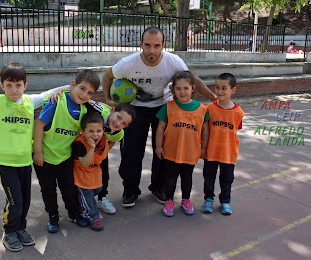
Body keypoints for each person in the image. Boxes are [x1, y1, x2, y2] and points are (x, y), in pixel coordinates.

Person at [102, 26, 217, 208]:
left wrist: (214, 98)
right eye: (147, 45)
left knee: (163, 151)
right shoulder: (128, 63)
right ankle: (130, 190)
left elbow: (192, 80)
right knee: (131, 152)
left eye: (156, 45)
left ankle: (158, 187)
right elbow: (108, 76)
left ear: (164, 45)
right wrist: (107, 98)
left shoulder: (173, 61)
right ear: (141, 44)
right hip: (135, 109)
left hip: (163, 107)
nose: (151, 50)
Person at [0, 38, 67, 252]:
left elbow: (48, 94)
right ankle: (9, 231)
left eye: (18, 85)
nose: (14, 90)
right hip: (5, 162)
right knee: (14, 199)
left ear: (25, 86)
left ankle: (20, 228)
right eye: (9, 85)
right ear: (2, 86)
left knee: (25, 200)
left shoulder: (28, 102)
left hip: (24, 161)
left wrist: (69, 87)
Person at [33, 69, 100, 234]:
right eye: (82, 88)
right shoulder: (57, 101)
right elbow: (39, 125)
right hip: (45, 157)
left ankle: (73, 213)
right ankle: (53, 216)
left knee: (69, 188)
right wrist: (38, 152)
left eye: (90, 93)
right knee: (48, 189)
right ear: (72, 85)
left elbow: (103, 110)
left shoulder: (84, 110)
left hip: (65, 158)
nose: (84, 95)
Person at [155, 71, 209, 216]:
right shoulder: (168, 107)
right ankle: (169, 200)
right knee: (170, 178)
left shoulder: (202, 109)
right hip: (171, 152)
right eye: (178, 89)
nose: (182, 92)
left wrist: (204, 148)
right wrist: (159, 146)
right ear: (173, 90)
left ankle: (186, 200)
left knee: (187, 178)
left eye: (185, 88)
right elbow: (160, 127)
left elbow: (205, 130)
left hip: (190, 153)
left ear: (193, 88)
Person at [202, 73, 245, 215]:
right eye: (217, 88)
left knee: (226, 179)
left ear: (233, 90)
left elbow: (236, 130)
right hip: (211, 151)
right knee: (209, 178)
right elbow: (205, 130)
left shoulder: (238, 112)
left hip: (228, 152)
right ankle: (208, 199)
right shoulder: (209, 109)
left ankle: (225, 201)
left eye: (224, 88)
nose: (219, 91)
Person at [85, 101, 136, 214]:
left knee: (103, 173)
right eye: (118, 117)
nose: (118, 123)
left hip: (98, 150)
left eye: (123, 123)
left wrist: (101, 154)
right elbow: (86, 99)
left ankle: (102, 198)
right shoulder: (99, 110)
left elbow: (111, 142)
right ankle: (78, 203)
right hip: (82, 146)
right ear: (112, 110)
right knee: (80, 174)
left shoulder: (118, 133)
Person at [72, 112, 109, 231]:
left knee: (97, 190)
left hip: (95, 174)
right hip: (82, 176)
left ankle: (82, 205)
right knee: (88, 197)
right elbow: (85, 164)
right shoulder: (79, 144)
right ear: (82, 131)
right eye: (90, 131)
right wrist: (92, 148)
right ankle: (93, 216)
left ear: (103, 130)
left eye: (98, 131)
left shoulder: (103, 141)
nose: (95, 135)